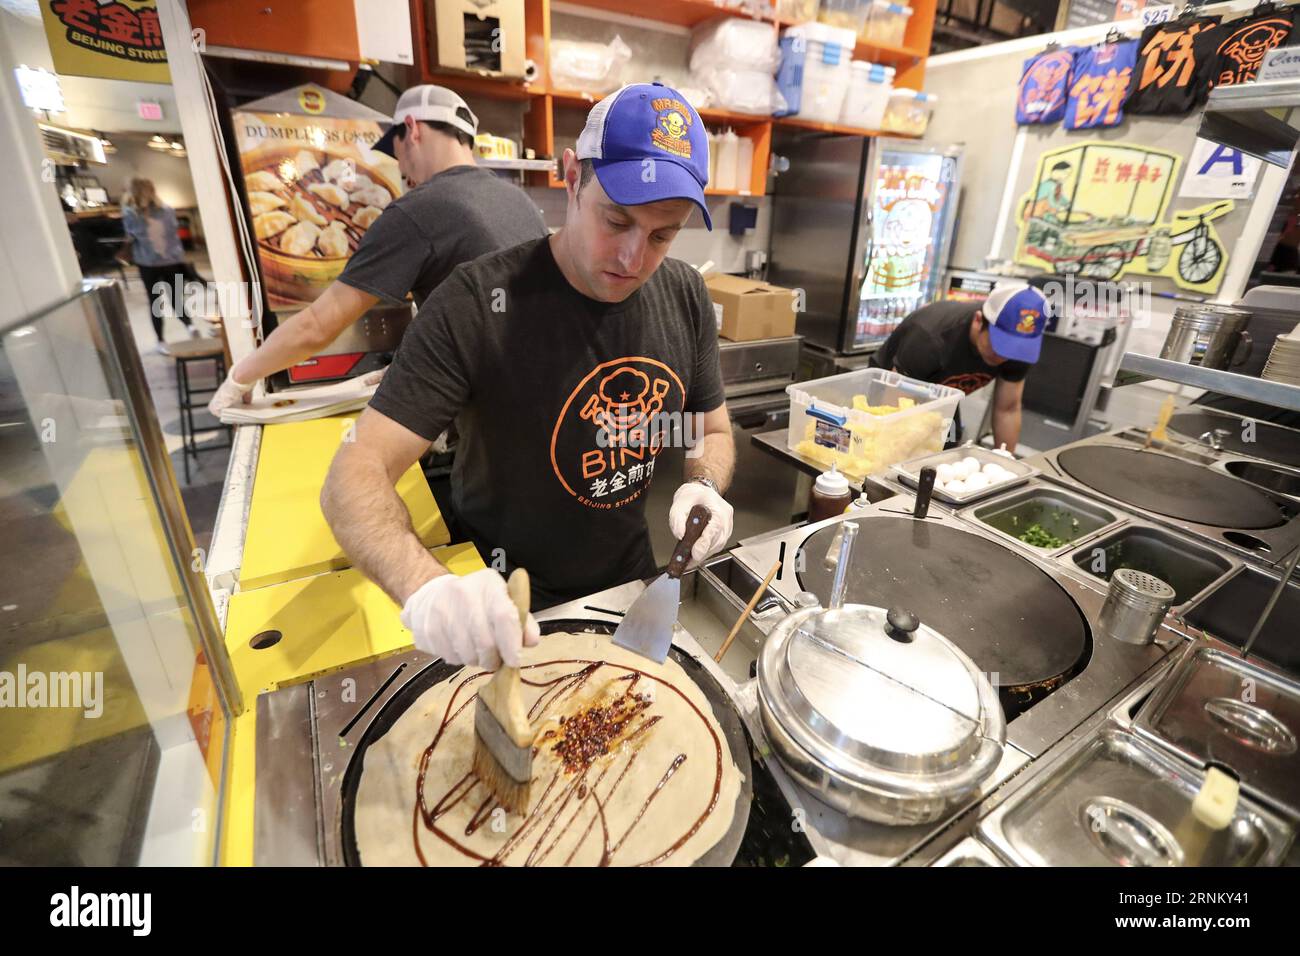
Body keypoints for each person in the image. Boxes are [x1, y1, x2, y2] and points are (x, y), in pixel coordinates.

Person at [320, 82, 735, 670]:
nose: (633, 258)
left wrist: (705, 485)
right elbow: (353, 472)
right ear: (572, 177)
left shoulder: (685, 294)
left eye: (661, 236)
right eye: (616, 221)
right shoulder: (475, 302)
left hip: (628, 589)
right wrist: (426, 586)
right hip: (500, 608)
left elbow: (708, 430)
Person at [208, 85, 548, 415]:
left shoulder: (418, 209)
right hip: (546, 393)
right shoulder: (519, 200)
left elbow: (317, 325)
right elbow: (498, 314)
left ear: (412, 129)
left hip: (486, 416)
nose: (400, 168)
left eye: (396, 152)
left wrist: (241, 376)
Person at [869, 282, 1050, 452]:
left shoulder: (1019, 351)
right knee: (885, 446)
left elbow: (1007, 409)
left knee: (948, 446)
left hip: (943, 397)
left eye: (1014, 349)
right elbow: (893, 409)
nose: (1004, 357)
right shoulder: (931, 338)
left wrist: (1005, 462)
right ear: (978, 321)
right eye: (999, 345)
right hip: (891, 389)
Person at [120, 177, 204, 354]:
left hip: (148, 263)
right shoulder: (167, 210)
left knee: (155, 302)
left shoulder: (131, 214)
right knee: (176, 298)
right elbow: (174, 235)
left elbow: (132, 236)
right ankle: (189, 326)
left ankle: (161, 341)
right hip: (172, 260)